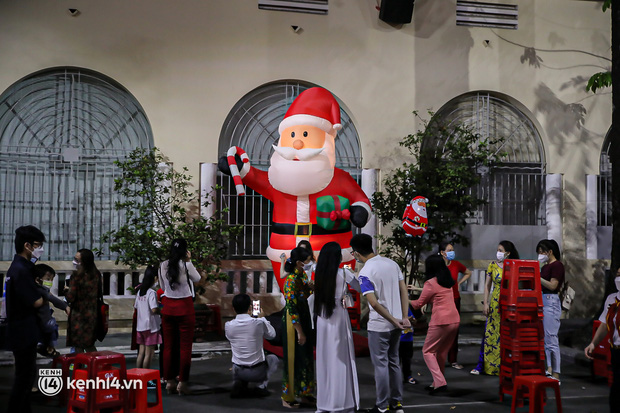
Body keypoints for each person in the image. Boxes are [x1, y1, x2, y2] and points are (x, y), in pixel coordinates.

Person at [218, 87, 372, 293]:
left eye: (306, 134)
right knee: (292, 294)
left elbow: (359, 199)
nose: (298, 142)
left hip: (328, 249)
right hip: (285, 247)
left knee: (328, 294)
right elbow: (254, 177)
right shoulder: (276, 179)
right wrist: (236, 167)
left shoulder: (340, 179)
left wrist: (359, 210)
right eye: (292, 135)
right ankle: (290, 313)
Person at [351, 233, 409, 413]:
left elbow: (373, 303)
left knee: (381, 366)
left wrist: (392, 319)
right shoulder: (392, 264)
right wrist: (403, 317)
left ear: (356, 253)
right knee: (394, 362)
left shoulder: (366, 272)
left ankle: (382, 406)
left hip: (379, 325)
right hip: (397, 324)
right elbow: (404, 291)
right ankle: (397, 403)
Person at [313, 242, 361, 413]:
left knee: (325, 360)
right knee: (341, 359)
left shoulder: (318, 273)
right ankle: (341, 402)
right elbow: (360, 286)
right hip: (339, 317)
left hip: (323, 317)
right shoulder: (343, 273)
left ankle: (324, 403)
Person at [5, 225, 46, 413]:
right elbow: (36, 301)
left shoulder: (22, 267)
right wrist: (44, 292)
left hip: (23, 330)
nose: (41, 249)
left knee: (26, 377)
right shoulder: (20, 270)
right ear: (27, 245)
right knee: (24, 379)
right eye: (38, 245)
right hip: (23, 331)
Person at [411, 255, 459, 394]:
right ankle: (436, 382)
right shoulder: (447, 281)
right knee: (441, 352)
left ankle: (440, 382)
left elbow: (418, 304)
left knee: (428, 351)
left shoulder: (431, 283)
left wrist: (406, 300)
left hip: (441, 321)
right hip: (454, 319)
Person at [471, 240, 520, 376]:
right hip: (494, 304)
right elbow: (487, 286)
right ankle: (482, 366)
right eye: (498, 250)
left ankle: (505, 366)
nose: (498, 253)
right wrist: (485, 303)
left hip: (509, 304)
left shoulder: (513, 266)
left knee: (506, 335)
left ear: (508, 253)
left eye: (501, 250)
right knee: (490, 334)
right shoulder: (492, 265)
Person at [159, 238, 201, 395]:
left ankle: (169, 381)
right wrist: (189, 261)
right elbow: (197, 279)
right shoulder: (185, 265)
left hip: (168, 307)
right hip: (185, 307)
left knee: (168, 346)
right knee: (185, 347)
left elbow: (163, 287)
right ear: (185, 251)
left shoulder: (163, 265)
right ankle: (182, 383)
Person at [225, 293, 279, 399]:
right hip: (257, 372)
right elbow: (272, 335)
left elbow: (230, 338)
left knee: (236, 356)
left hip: (239, 371)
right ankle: (261, 386)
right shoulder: (258, 323)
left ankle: (238, 382)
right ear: (250, 307)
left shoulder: (228, 325)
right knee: (273, 358)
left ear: (233, 308)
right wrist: (263, 318)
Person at [281, 246, 315, 408]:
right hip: (293, 322)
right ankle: (288, 397)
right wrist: (299, 331)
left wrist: (310, 289)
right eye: (308, 261)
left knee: (306, 356)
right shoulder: (290, 280)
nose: (310, 264)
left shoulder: (302, 277)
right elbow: (291, 306)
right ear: (299, 262)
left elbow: (303, 297)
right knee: (293, 358)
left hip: (304, 317)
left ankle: (305, 393)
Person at [585, 267, 620, 413]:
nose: (618, 278)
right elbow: (605, 324)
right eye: (618, 274)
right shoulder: (612, 299)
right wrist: (593, 343)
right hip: (616, 350)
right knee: (616, 393)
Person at [439, 242, 471, 370]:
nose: (452, 252)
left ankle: (453, 360)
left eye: (452, 250)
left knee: (454, 330)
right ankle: (438, 358)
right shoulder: (438, 265)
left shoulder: (456, 264)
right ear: (442, 252)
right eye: (449, 250)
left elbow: (468, 273)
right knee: (441, 330)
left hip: (455, 299)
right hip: (442, 300)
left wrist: (459, 282)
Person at [537, 239, 564, 382]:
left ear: (550, 252)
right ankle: (549, 369)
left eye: (542, 252)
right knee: (545, 339)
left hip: (551, 302)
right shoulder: (545, 266)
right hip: (543, 301)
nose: (540, 255)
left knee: (552, 339)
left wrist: (538, 276)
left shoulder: (557, 266)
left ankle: (556, 374)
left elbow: (553, 286)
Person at [66, 248, 101, 353]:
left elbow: (71, 297)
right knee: (89, 345)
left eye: (77, 260)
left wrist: (66, 291)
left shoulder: (76, 276)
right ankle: (96, 367)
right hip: (92, 315)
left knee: (79, 346)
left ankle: (80, 368)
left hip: (78, 316)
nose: (74, 262)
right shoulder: (96, 275)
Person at [34, 263, 70, 358]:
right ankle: (49, 349)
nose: (50, 282)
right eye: (48, 279)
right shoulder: (41, 290)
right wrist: (65, 307)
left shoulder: (40, 289)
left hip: (42, 319)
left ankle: (47, 348)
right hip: (44, 320)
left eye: (52, 280)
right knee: (52, 328)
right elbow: (53, 300)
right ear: (37, 280)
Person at [134, 266, 161, 371]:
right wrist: (161, 310)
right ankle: (146, 377)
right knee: (149, 354)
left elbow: (135, 305)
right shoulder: (151, 292)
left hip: (140, 326)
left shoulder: (140, 291)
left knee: (141, 352)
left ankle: (138, 376)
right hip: (151, 327)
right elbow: (154, 309)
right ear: (154, 278)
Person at [399, 304, 417, 385]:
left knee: (407, 359)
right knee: (396, 359)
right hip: (399, 339)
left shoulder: (407, 308)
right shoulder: (395, 309)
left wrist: (412, 320)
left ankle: (408, 376)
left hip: (408, 339)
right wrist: (405, 320)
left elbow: (414, 320)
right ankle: (395, 377)